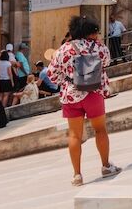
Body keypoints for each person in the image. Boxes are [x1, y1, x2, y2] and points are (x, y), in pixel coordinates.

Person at [46, 15, 121, 187]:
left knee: (74, 135)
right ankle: (106, 166)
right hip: (93, 93)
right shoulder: (98, 48)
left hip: (71, 96)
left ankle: (77, 175)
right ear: (90, 32)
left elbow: (51, 75)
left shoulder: (63, 50)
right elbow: (106, 62)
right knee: (100, 130)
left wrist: (66, 79)